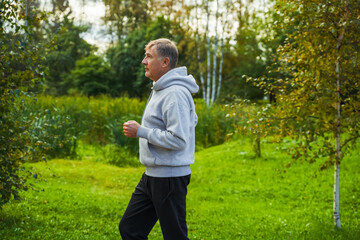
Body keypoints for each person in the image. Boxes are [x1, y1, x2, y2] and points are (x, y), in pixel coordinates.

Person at [119, 38, 199, 240]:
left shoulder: (175, 93)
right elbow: (191, 121)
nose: (143, 61)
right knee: (130, 229)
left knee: (175, 236)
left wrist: (141, 131)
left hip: (169, 178)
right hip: (152, 175)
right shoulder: (160, 89)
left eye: (148, 57)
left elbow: (180, 139)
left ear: (165, 62)